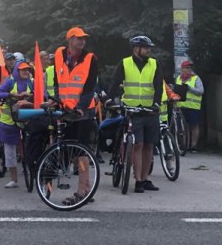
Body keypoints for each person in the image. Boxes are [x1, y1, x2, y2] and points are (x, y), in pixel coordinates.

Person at [108, 35, 162, 193]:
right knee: (137, 145)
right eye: (146, 47)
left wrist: (156, 104)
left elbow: (158, 86)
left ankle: (145, 179)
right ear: (136, 49)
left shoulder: (154, 64)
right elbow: (115, 82)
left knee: (148, 145)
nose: (149, 50)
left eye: (149, 47)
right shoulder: (125, 63)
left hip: (150, 110)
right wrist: (109, 99)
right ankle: (138, 180)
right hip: (132, 110)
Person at [52, 26, 98, 205]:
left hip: (83, 111)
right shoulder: (59, 55)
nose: (82, 41)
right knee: (73, 151)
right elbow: (57, 81)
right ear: (69, 40)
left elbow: (89, 87)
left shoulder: (89, 59)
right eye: (78, 38)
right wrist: (56, 100)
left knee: (81, 150)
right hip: (66, 110)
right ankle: (86, 189)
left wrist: (80, 106)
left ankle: (82, 190)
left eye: (83, 38)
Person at [0, 61, 35, 188]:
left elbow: (44, 94)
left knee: (32, 146)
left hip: (27, 118)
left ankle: (32, 171)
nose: (26, 72)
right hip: (9, 120)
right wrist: (12, 94)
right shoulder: (10, 81)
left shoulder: (32, 82)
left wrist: (31, 95)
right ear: (17, 70)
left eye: (27, 70)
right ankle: (14, 179)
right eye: (23, 70)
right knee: (10, 151)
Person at [176, 60, 204, 153]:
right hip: (181, 106)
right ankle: (185, 146)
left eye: (190, 68)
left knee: (194, 126)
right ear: (182, 69)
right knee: (184, 127)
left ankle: (193, 146)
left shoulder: (196, 78)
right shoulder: (178, 79)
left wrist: (190, 88)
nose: (189, 69)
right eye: (187, 68)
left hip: (193, 106)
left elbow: (201, 91)